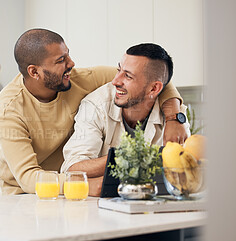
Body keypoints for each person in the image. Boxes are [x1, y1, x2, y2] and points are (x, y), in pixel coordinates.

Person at [0, 29, 186, 195]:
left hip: (71, 183)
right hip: (24, 191)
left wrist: (174, 118)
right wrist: (86, 183)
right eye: (61, 60)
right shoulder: (9, 108)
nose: (72, 63)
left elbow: (153, 79)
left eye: (68, 54)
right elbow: (28, 178)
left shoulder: (79, 79)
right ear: (34, 72)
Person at [61, 43, 191, 196]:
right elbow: (72, 168)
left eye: (128, 76)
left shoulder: (175, 117)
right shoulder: (95, 106)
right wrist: (129, 157)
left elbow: (182, 173)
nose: (115, 81)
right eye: (119, 70)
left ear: (154, 89)